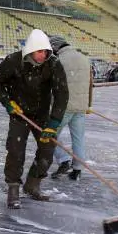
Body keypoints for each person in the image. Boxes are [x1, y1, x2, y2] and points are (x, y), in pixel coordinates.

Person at [0, 29, 68, 209]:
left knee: (48, 148)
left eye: (46, 52)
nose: (43, 55)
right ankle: (13, 188)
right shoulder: (14, 61)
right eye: (40, 51)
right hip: (19, 114)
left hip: (41, 115)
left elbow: (62, 93)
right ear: (31, 50)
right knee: (16, 150)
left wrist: (53, 122)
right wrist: (7, 102)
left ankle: (33, 184)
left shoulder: (53, 64)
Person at [48, 36, 92, 181]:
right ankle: (77, 169)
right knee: (78, 139)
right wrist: (89, 105)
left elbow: (53, 85)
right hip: (81, 106)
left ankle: (64, 160)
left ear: (55, 48)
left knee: (50, 135)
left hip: (64, 107)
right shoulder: (84, 58)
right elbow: (90, 83)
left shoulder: (59, 61)